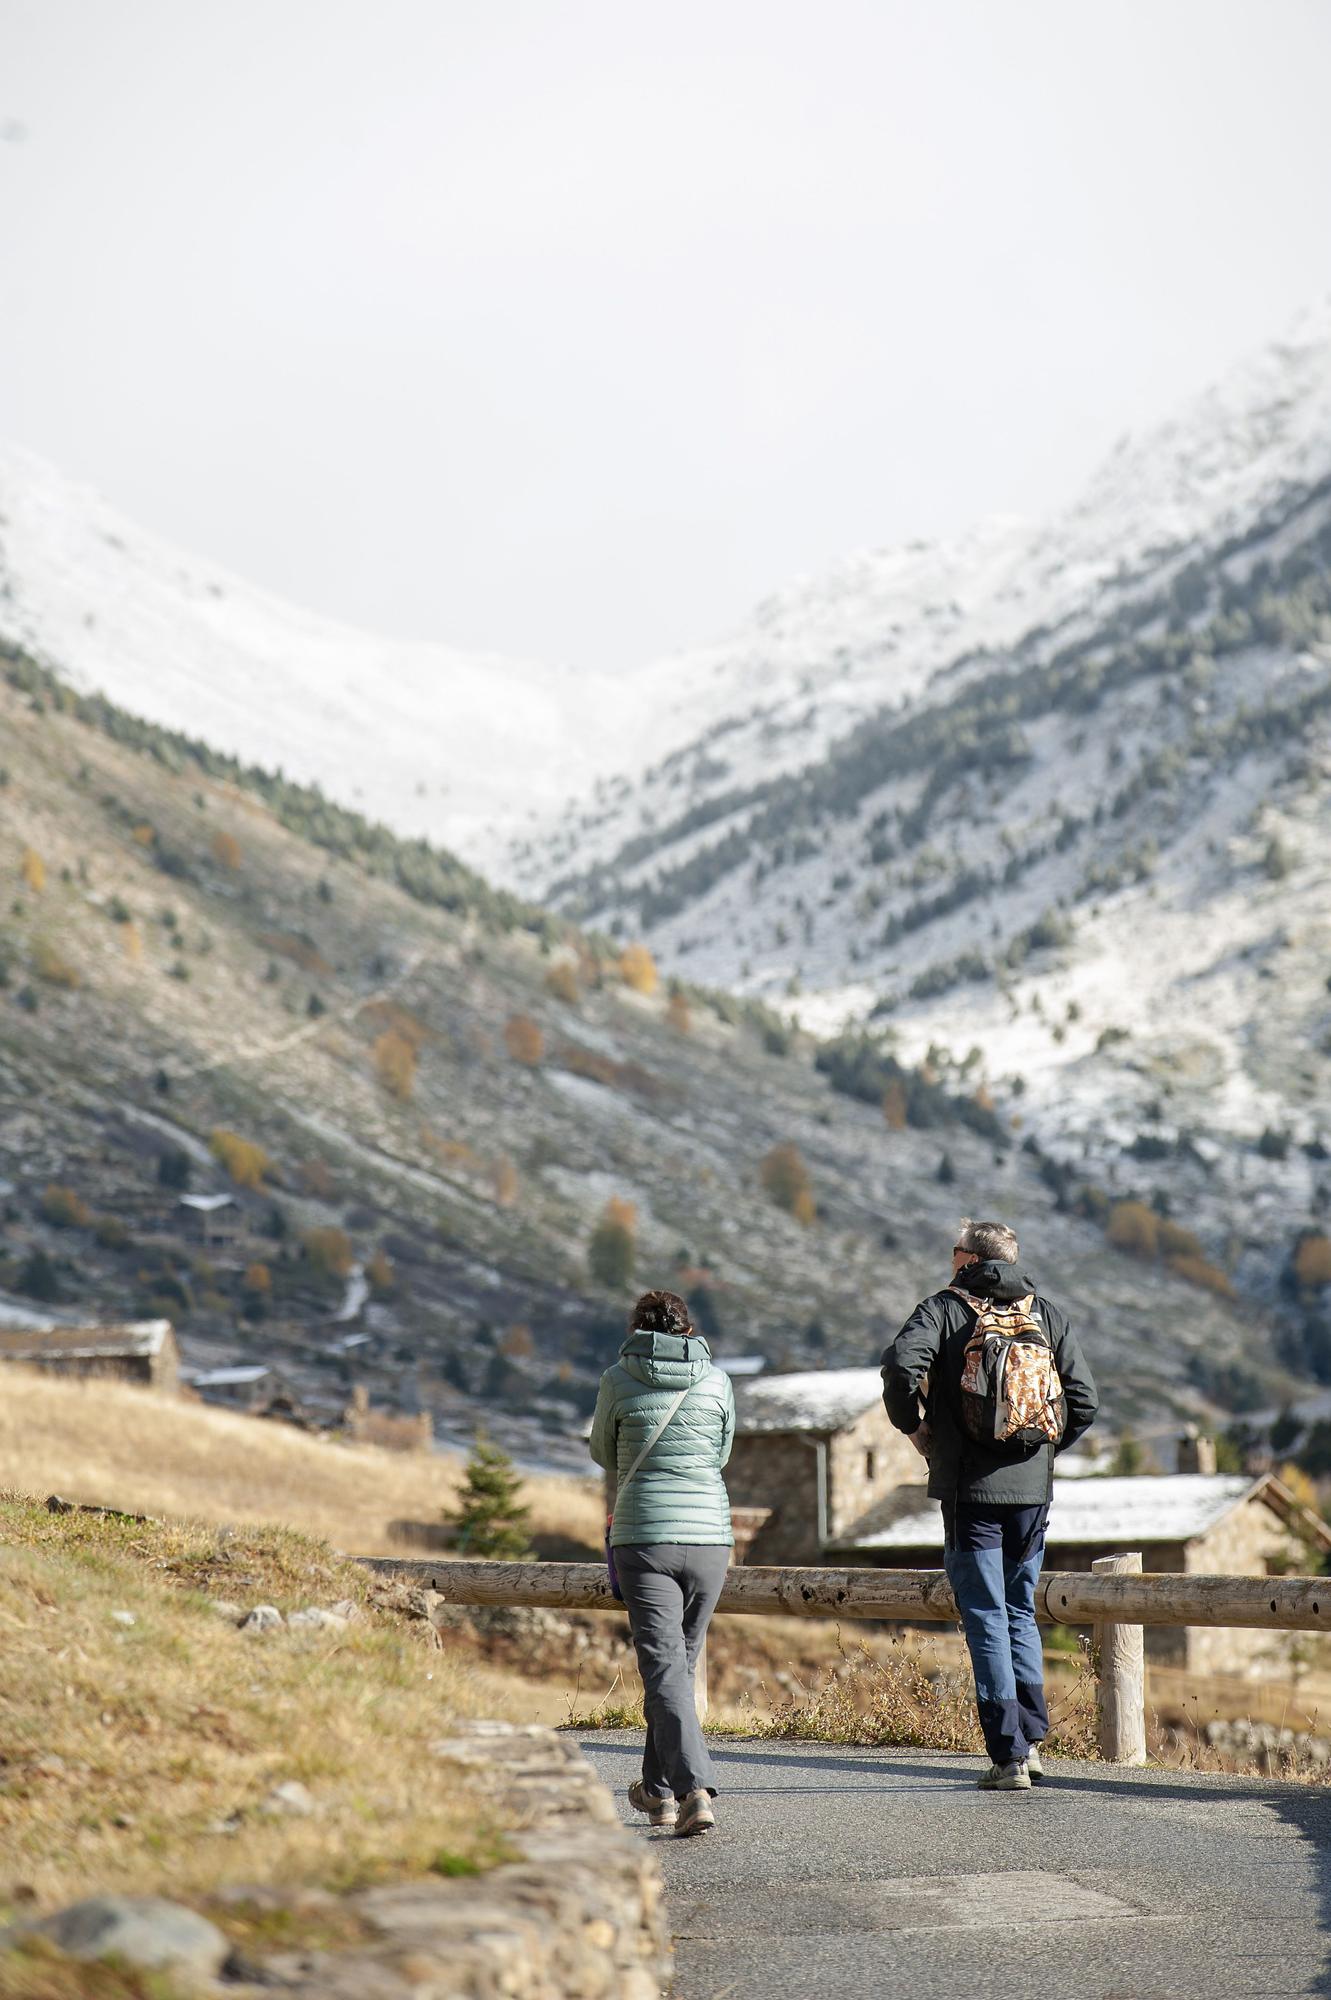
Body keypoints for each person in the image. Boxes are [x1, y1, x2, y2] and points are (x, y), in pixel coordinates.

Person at [882, 1218, 1098, 1791]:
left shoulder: (944, 1309)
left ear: (966, 1259)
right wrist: (1041, 1450)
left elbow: (902, 1367)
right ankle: (1030, 1740)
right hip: (1032, 1495)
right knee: (1020, 1608)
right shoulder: (1044, 1313)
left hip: (969, 1491)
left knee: (984, 1612)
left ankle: (1007, 1757)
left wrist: (917, 1430)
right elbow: (1085, 1400)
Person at [589, 1288, 734, 1837]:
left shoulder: (617, 1379)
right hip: (710, 1540)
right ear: (686, 1328)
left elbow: (602, 1451)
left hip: (644, 1537)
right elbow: (721, 1453)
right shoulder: (717, 1380)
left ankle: (694, 1789)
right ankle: (658, 1791)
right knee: (678, 1665)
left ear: (636, 1329)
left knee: (665, 1666)